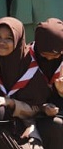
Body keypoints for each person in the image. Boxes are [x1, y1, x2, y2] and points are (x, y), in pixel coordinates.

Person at [0, 17, 47, 149]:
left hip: (25, 127)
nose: (1, 42)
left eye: (9, 38)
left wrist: (11, 103)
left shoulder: (30, 64)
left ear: (18, 40)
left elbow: (38, 107)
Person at [31, 18, 63, 148]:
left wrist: (61, 93)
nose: (49, 59)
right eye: (44, 54)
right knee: (54, 126)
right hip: (31, 113)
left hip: (59, 110)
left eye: (55, 56)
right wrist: (42, 107)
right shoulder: (26, 58)